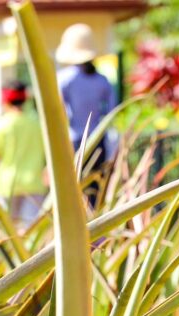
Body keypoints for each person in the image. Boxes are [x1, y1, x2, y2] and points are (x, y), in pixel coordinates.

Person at [57, 23, 116, 206]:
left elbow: (59, 113)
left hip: (75, 141)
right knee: (96, 190)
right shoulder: (102, 80)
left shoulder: (66, 79)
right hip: (99, 140)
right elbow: (111, 112)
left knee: (75, 189)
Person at [0, 81, 47, 226]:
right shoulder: (36, 124)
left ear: (4, 101)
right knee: (30, 232)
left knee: (7, 231)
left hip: (6, 185)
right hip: (34, 184)